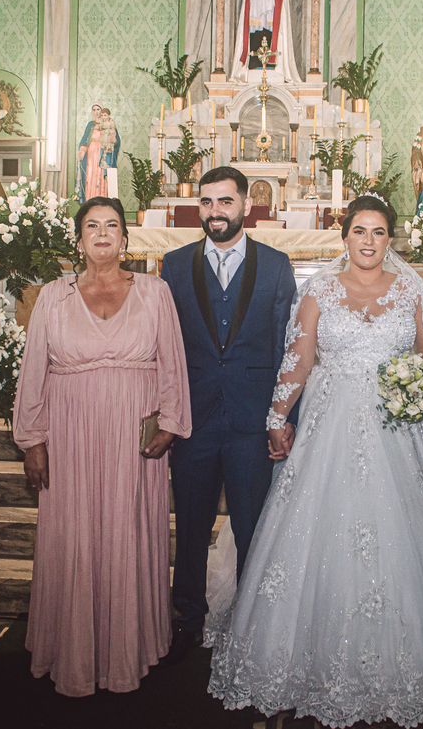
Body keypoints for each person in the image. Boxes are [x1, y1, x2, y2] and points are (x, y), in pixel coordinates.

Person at [206, 196, 423, 727]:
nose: (369, 241)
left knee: (404, 540)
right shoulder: (320, 290)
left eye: (379, 232)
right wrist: (278, 416)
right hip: (330, 427)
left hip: (396, 431)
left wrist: (418, 392)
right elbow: (298, 359)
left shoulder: (411, 292)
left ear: (392, 240)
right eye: (360, 231)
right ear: (345, 237)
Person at [13, 197, 192, 696]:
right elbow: (34, 373)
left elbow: (172, 364)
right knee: (75, 534)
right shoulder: (52, 296)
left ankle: (129, 649)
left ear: (125, 239)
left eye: (112, 225)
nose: (102, 233)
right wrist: (32, 441)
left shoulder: (155, 292)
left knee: (128, 531)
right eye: (92, 225)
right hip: (70, 435)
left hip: (135, 439)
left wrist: (172, 424)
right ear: (79, 238)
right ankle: (71, 652)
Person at [159, 166, 297, 664]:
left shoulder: (277, 266)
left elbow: (289, 349)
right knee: (192, 527)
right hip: (193, 421)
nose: (215, 212)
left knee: (253, 527)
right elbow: (164, 346)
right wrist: (166, 414)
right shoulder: (173, 266)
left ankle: (253, 623)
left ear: (245, 206)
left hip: (251, 423)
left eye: (225, 202)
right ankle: (186, 619)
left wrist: (284, 418)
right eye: (207, 202)